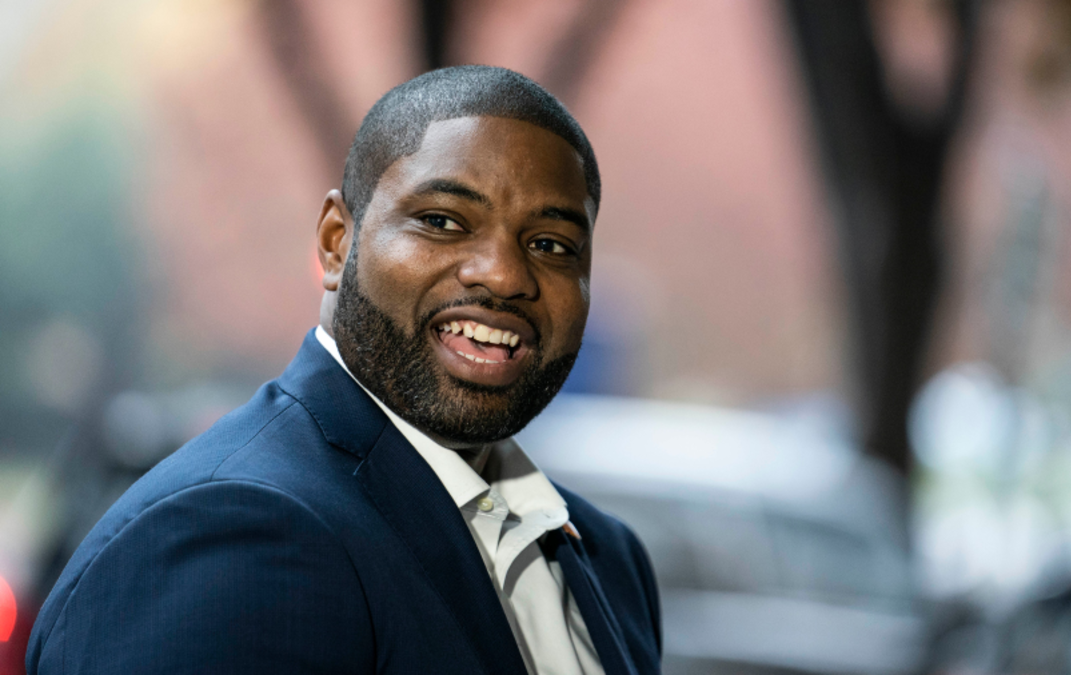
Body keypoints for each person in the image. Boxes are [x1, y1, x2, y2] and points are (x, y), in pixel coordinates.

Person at [26, 66, 661, 675]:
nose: (502, 274)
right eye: (442, 221)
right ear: (336, 242)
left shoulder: (609, 559)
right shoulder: (235, 532)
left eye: (551, 245)